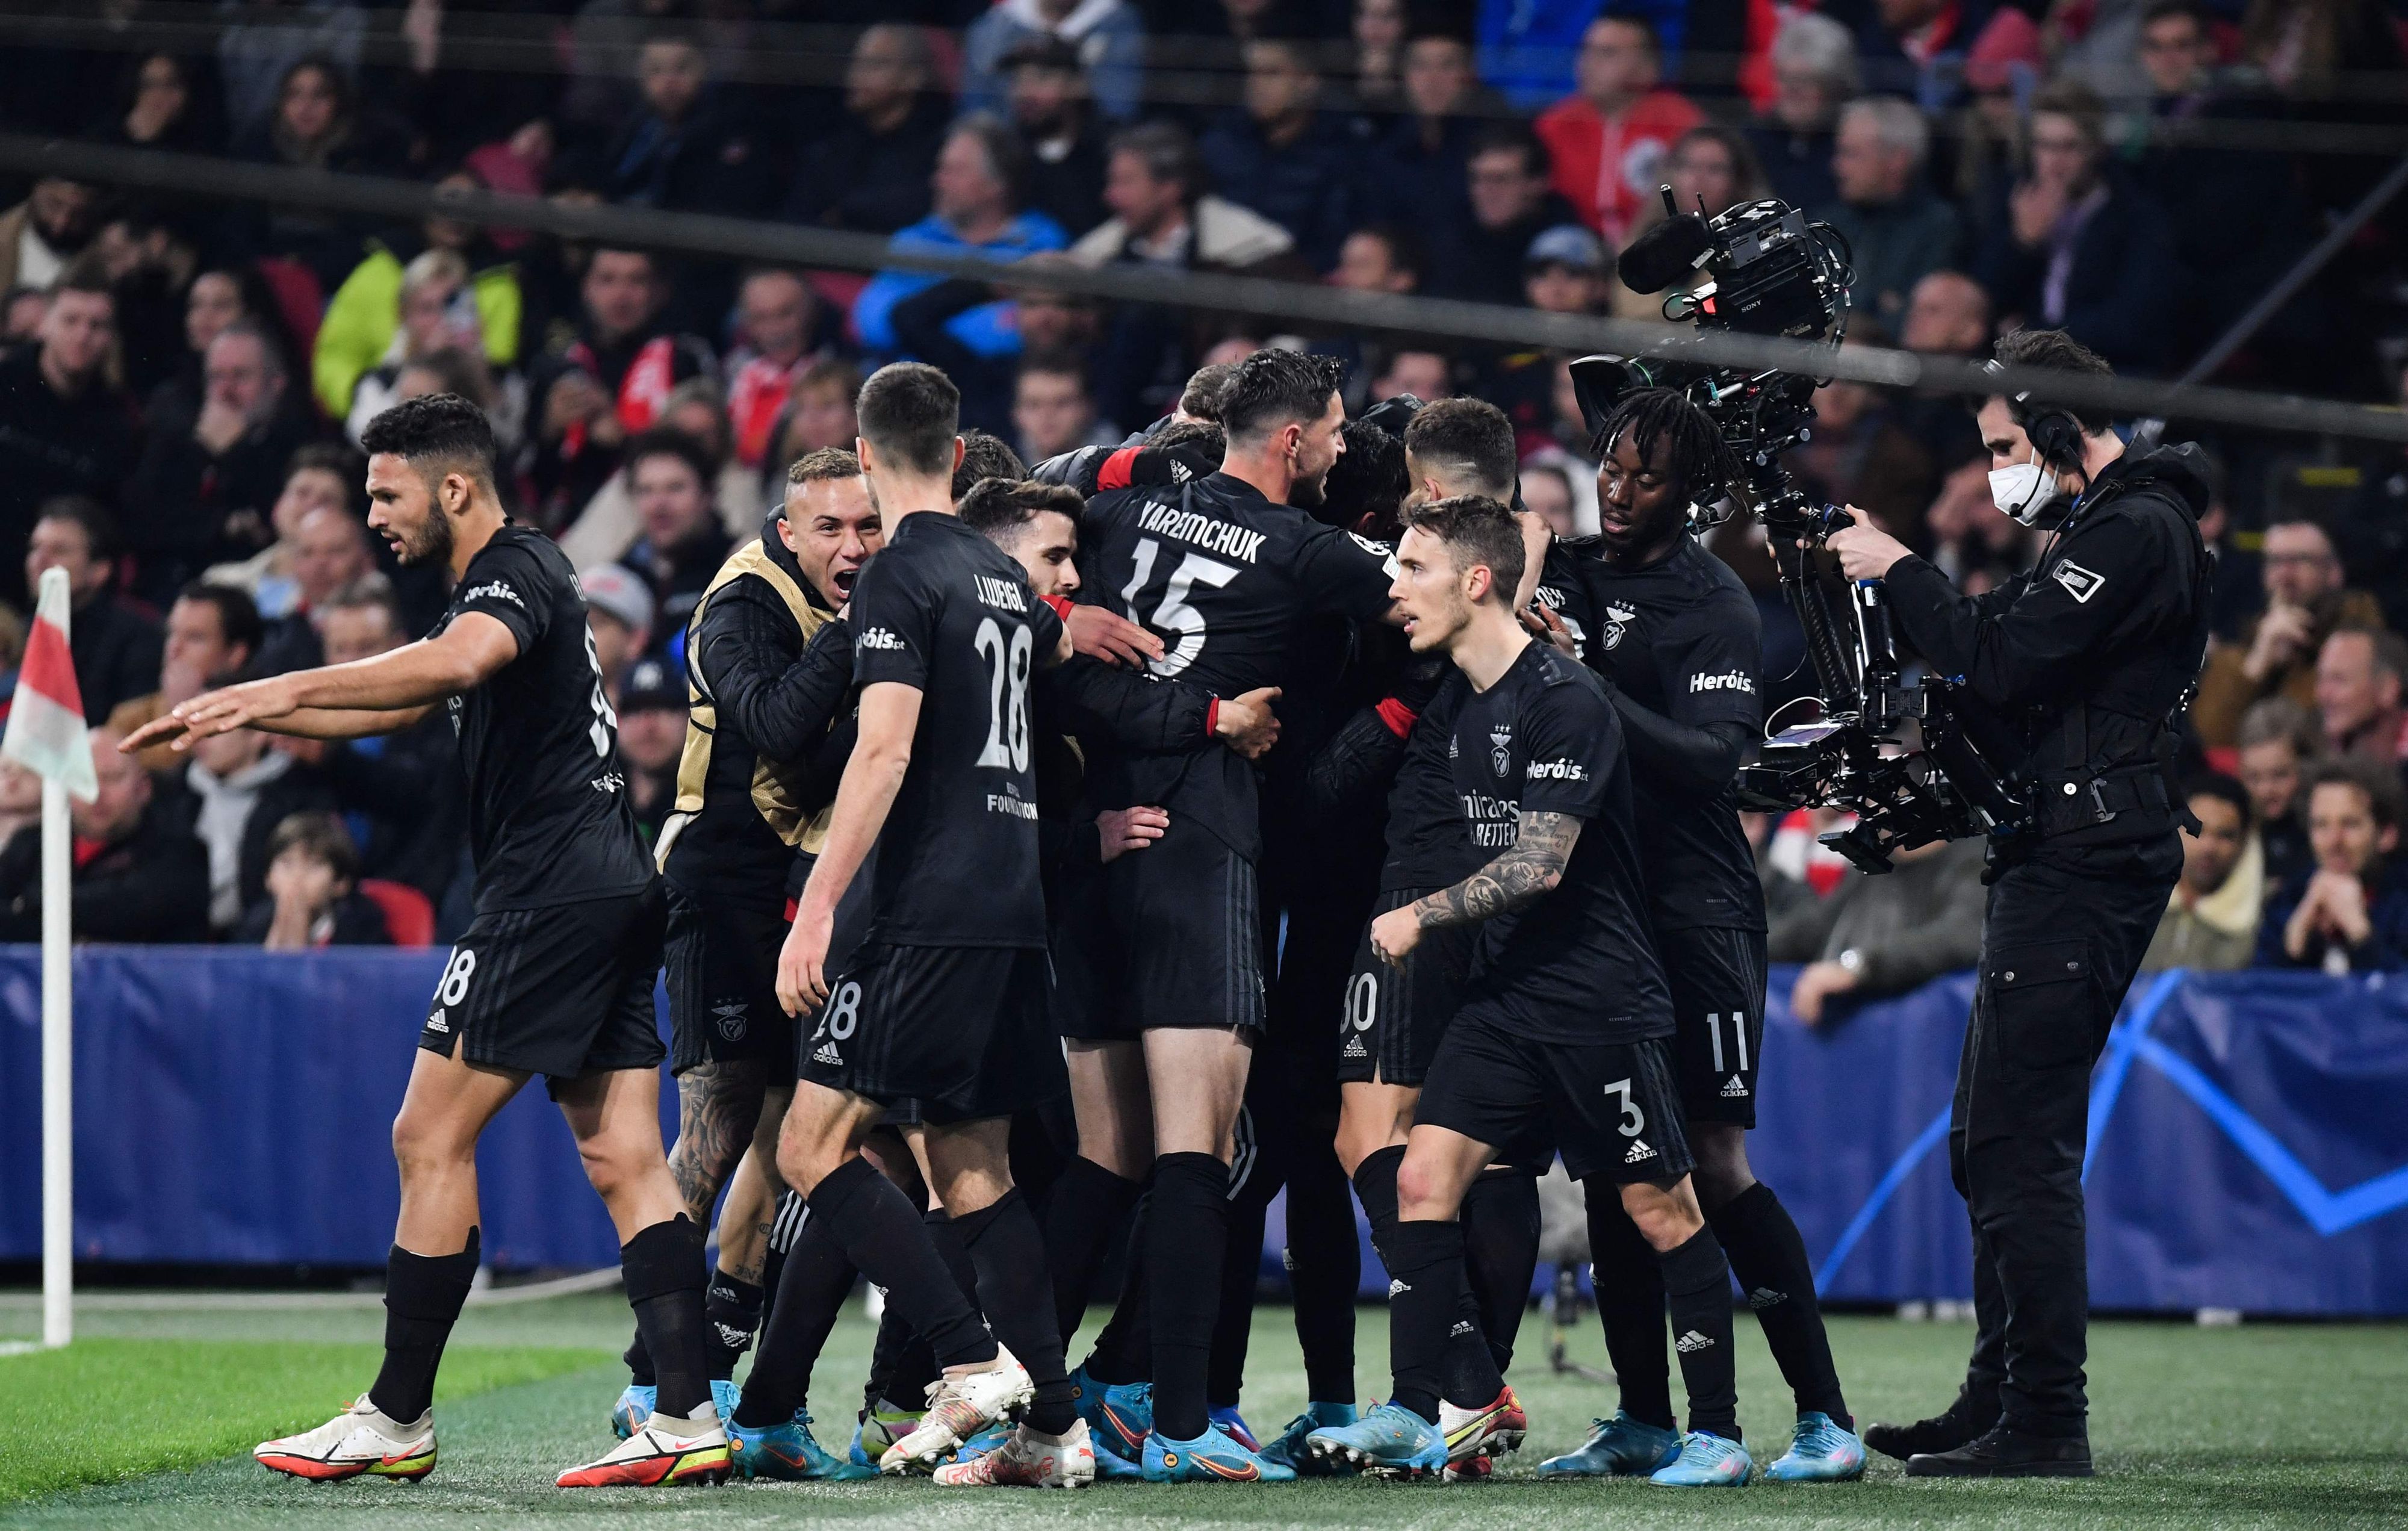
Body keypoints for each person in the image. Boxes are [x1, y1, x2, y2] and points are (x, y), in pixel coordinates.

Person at [123, 393, 728, 1488]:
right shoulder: (511, 580)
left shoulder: (512, 570)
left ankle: (397, 1413)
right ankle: (686, 1411)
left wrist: (278, 681)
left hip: (547, 896)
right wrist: (248, 710)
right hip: (608, 884)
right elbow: (401, 705)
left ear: (454, 486)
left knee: (426, 1135)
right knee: (625, 1155)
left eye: (386, 492)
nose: (374, 514)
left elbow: (446, 669)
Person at [1828, 328, 2214, 1477]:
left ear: (2056, 430)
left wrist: (1897, 568)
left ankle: (2048, 1418)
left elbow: (2002, 662)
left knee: (2016, 1144)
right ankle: (2001, 1394)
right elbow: (2022, 689)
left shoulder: (2135, 527)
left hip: (2090, 858)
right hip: (2061, 847)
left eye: (2005, 443)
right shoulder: (2108, 528)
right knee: (1988, 1139)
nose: (1998, 467)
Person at [1303, 494, 1749, 1487]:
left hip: (1598, 995)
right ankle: (1424, 1409)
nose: (1394, 586)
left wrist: (1421, 914)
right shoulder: (1465, 700)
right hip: (1507, 998)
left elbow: (1544, 863)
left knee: (1661, 1207)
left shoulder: (1566, 698)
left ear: (1475, 581)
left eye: (1413, 567)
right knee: (1419, 1178)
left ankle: (1714, 1430)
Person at [752, 362, 1091, 1489]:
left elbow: (886, 748)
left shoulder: (899, 574)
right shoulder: (1003, 578)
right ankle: (1053, 1425)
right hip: (1010, 903)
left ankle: (967, 1356)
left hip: (923, 907)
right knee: (973, 1167)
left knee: (811, 1146)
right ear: (957, 454)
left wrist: (819, 909)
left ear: (866, 451)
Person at [1063, 349, 1400, 1482]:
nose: (1349, 446)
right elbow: (1435, 610)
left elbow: (985, 523)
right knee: (1204, 1145)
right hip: (1205, 839)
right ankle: (1176, 1414)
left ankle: (1036, 1395)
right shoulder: (1311, 550)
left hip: (1095, 832)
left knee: (1095, 1148)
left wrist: (1062, 610)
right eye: (1339, 429)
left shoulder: (1124, 503)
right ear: (1294, 442)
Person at [1536, 388, 1862, 1482]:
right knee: (1614, 1163)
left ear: (1696, 495)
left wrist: (1583, 682)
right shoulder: (1572, 566)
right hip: (1603, 910)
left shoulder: (1711, 598)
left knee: (1715, 1160)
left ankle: (1825, 1417)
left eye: (1650, 478)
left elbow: (1715, 762)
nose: (1622, 493)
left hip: (1700, 909)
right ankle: (1640, 1416)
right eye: (1613, 470)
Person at [613, 447, 883, 1473]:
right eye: (830, 530)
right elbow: (776, 724)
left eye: (866, 528)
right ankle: (654, 1379)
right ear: (787, 528)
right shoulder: (737, 602)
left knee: (785, 1151)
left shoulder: (846, 590)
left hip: (805, 891)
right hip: (721, 888)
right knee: (716, 1131)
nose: (852, 548)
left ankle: (727, 1389)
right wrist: (868, 635)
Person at [1969, 82, 2177, 374]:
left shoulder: (2135, 215)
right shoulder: (2016, 199)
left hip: (2103, 375)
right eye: (2044, 145)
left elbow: (2130, 323)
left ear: (2096, 149)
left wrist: (2031, 335)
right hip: (2020, 374)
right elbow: (1980, 302)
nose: (2054, 163)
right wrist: (2021, 244)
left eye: (2069, 147)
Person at [123, 320, 323, 606]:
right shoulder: (175, 441)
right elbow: (144, 524)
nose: (226, 391)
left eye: (240, 376)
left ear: (276, 384)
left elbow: (267, 524)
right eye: (217, 377)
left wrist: (233, 452)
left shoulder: (297, 447)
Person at [851, 116, 1070, 359]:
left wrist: (924, 327)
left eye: (955, 171)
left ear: (997, 184)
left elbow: (1025, 332)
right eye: (941, 169)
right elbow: (873, 322)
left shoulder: (1041, 243)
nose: (938, 181)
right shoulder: (915, 240)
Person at [0, 262, 139, 602]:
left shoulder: (118, 424)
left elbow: (107, 530)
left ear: (111, 338)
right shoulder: (4, 387)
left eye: (97, 326)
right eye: (70, 320)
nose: (83, 336)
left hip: (58, 596)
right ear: (44, 324)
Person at [0, 726, 209, 943]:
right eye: (84, 779)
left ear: (144, 788)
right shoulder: (32, 845)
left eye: (112, 778)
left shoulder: (180, 851)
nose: (97, 793)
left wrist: (28, 907)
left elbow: (129, 909)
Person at [2192, 518, 2386, 748]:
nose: (2285, 575)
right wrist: (2255, 667)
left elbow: (2323, 735)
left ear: (2334, 571)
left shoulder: (2364, 637)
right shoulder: (2244, 645)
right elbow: (2211, 738)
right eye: (2275, 562)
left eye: (2300, 560)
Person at [1197, 28, 1367, 270]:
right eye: (1252, 73)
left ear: (1308, 81)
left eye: (1271, 73)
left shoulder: (1342, 155)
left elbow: (1332, 246)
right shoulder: (1220, 145)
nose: (1256, 84)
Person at [1772, 837, 1990, 1023]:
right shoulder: (1873, 860)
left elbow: (1961, 935)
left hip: (1911, 1048)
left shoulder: (1973, 860)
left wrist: (1860, 967)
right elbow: (1809, 928)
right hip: (1832, 1041)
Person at [1534, 14, 1704, 250]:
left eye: (1607, 53)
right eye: (1585, 50)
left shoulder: (1681, 122)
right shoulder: (1554, 125)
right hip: (1576, 258)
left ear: (1648, 67)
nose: (1588, 62)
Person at [785, 23, 951, 236]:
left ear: (913, 78)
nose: (857, 74)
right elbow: (800, 221)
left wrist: (846, 212)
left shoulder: (939, 150)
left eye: (874, 65)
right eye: (856, 63)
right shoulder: (832, 149)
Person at [2257, 757, 2408, 974]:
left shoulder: (2401, 903)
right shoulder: (2289, 899)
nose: (2334, 841)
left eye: (2350, 824)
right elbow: (2256, 999)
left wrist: (2361, 935)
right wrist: (2294, 948)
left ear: (2386, 834)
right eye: (2321, 825)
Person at [1825, 98, 1963, 325]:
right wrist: (1879, 302)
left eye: (1851, 154)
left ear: (1897, 161)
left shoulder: (1939, 229)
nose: (1837, 166)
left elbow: (1912, 324)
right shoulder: (1829, 225)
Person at [25, 499, 160, 727]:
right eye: (35, 548)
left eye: (59, 551)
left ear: (100, 570)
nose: (40, 561)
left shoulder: (136, 640)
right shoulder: (21, 634)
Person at [110, 583, 267, 773]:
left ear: (236, 653)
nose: (175, 648)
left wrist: (188, 715)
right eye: (172, 633)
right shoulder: (129, 720)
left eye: (195, 638)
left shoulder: (262, 718)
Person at [2139, 775, 2262, 972]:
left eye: (2225, 835)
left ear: (2244, 843)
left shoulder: (2265, 916)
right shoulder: (2129, 905)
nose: (2209, 847)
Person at [961, 0, 1146, 125]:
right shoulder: (995, 29)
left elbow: (1119, 114)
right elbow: (974, 118)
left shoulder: (1117, 24)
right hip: (1008, 156)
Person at [1746, 11, 1855, 216]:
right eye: (1785, 78)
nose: (1791, 92)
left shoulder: (1853, 145)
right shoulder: (1751, 141)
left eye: (1806, 81)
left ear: (1836, 87)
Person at [239, 809, 394, 948]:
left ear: (340, 884)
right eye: (287, 864)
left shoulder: (362, 924)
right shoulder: (255, 925)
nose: (297, 878)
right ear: (268, 879)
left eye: (314, 866)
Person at [2235, 697, 2318, 886]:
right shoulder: (2234, 827)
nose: (2266, 791)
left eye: (2280, 775)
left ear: (2307, 768)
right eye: (2253, 778)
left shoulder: (2324, 829)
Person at [2313, 628, 2408, 766]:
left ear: (2387, 689)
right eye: (2321, 679)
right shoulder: (2318, 758)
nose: (2322, 695)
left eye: (2339, 680)